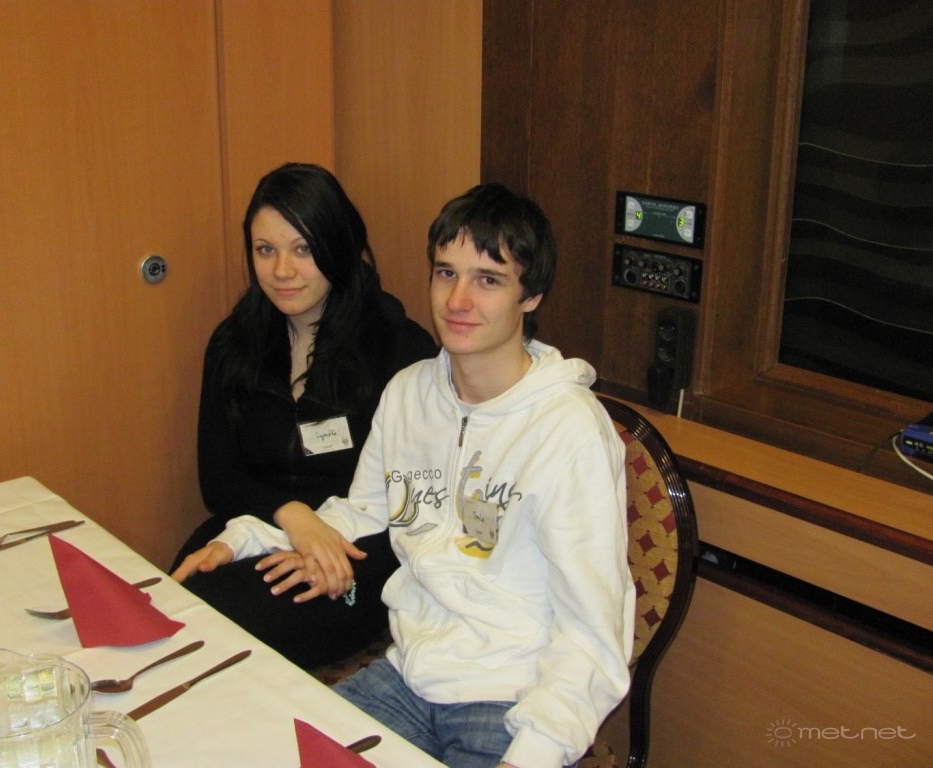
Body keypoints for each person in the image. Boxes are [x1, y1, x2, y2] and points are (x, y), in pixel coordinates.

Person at [177, 182, 635, 768]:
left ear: (532, 295)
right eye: (446, 274)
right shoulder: (410, 392)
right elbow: (362, 511)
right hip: (407, 675)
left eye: (488, 280)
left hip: (513, 696)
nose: (458, 300)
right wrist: (247, 537)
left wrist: (537, 750)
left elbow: (592, 631)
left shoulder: (568, 431)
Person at [170, 162, 437, 669]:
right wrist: (292, 518)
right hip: (254, 523)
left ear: (338, 246)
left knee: (223, 626)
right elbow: (219, 479)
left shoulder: (399, 347)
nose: (281, 271)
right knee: (177, 599)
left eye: (303, 249)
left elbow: (415, 500)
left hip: (357, 549)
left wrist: (322, 543)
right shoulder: (233, 343)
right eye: (264, 250)